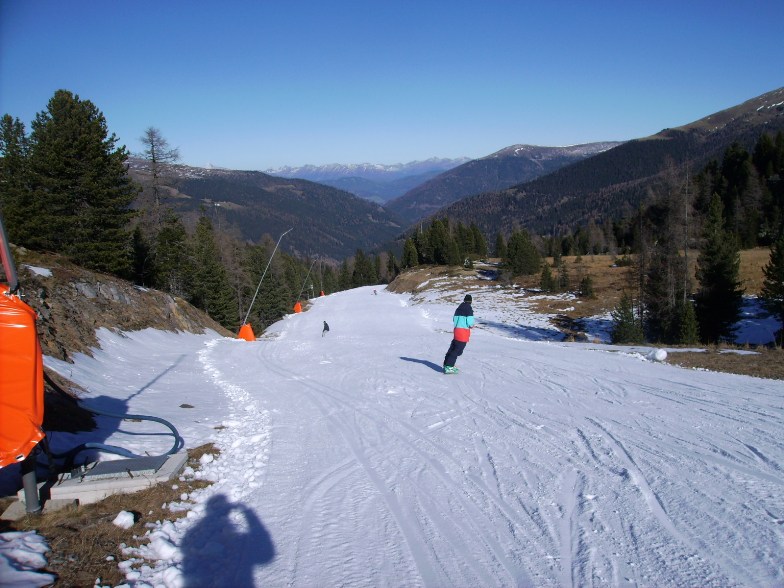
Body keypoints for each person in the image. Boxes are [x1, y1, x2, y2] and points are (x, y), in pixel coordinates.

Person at [443, 294, 474, 373]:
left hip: (457, 330)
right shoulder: (469, 309)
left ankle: (446, 364)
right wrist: (471, 325)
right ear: (470, 301)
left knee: (453, 347)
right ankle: (449, 366)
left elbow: (454, 319)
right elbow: (470, 322)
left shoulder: (458, 308)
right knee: (458, 350)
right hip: (463, 332)